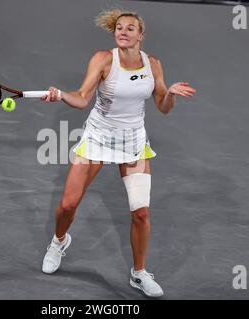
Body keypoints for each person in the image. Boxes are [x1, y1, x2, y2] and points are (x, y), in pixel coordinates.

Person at [40, 8, 196, 298]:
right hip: (98, 138)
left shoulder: (154, 64)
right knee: (67, 206)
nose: (123, 32)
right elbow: (83, 98)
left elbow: (162, 106)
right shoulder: (103, 59)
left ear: (141, 35)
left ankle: (139, 274)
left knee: (141, 214)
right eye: (119, 28)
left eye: (130, 28)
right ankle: (59, 241)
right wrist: (60, 94)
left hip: (133, 143)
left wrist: (170, 93)